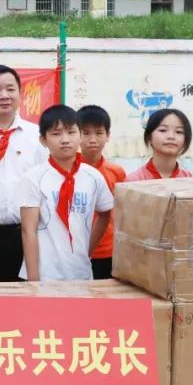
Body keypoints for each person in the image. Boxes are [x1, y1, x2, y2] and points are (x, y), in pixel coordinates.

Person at [18, 105, 114, 282]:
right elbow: (28, 230)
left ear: (80, 135)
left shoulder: (93, 176)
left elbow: (105, 213)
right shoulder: (34, 177)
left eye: (71, 132)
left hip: (81, 273)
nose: (65, 140)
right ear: (43, 140)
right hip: (44, 275)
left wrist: (87, 249)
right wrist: (33, 279)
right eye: (56, 134)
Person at [0, 65, 47, 282]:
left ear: (20, 93)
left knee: (25, 297)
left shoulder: (37, 136)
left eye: (10, 89)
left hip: (28, 234)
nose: (4, 95)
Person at [77, 105, 126, 279]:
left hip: (109, 250)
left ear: (108, 135)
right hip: (76, 250)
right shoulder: (69, 172)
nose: (93, 140)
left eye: (99, 133)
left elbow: (122, 212)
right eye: (86, 133)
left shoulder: (116, 172)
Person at [126, 108, 193, 181]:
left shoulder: (189, 180)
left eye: (179, 132)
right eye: (163, 130)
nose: (171, 136)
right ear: (149, 137)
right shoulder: (135, 180)